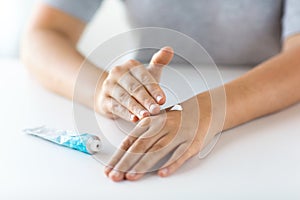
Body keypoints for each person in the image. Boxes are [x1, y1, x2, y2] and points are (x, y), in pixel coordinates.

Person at [21, 0, 300, 182]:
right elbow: (43, 34)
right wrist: (103, 90)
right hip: (154, 95)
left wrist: (209, 110)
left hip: (272, 116)